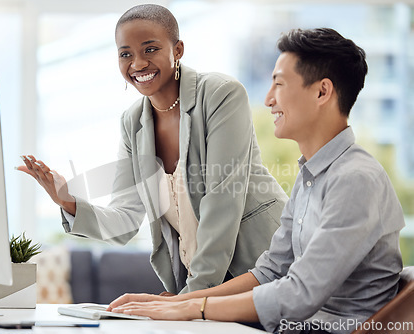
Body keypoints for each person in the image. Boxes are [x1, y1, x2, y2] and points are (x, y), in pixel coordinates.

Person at [107, 28, 405, 334]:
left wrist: (192, 308)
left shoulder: (355, 179)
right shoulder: (311, 177)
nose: (268, 100)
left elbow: (298, 293)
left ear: (322, 92)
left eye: (279, 84)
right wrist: (175, 304)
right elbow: (271, 270)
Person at [18, 4, 287, 295]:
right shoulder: (133, 123)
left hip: (268, 269)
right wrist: (68, 201)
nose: (137, 63)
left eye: (149, 49)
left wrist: (186, 300)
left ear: (178, 49)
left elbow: (222, 206)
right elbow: (125, 220)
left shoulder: (221, 95)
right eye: (125, 54)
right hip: (207, 288)